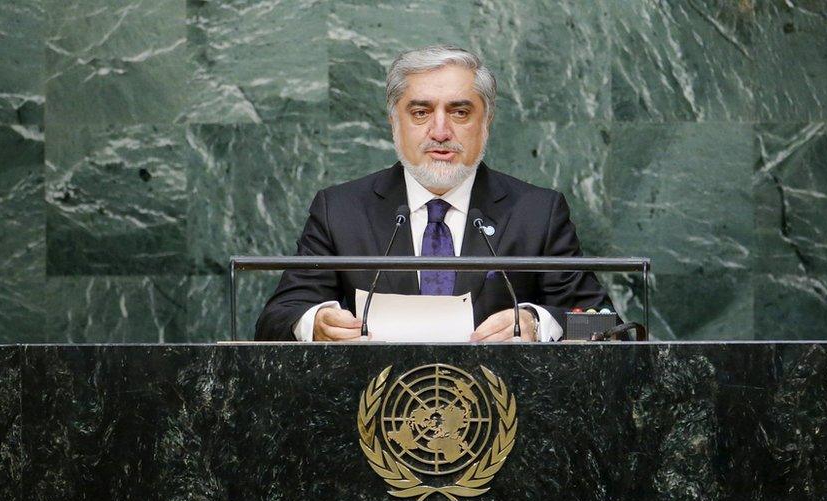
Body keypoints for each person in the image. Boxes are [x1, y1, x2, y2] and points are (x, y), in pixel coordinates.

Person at [255, 45, 612, 342]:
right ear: (394, 120)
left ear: (486, 121)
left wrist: (537, 323)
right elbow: (276, 319)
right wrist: (315, 323)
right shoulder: (340, 210)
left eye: (459, 112)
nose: (440, 131)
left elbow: (606, 325)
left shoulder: (537, 212)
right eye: (421, 112)